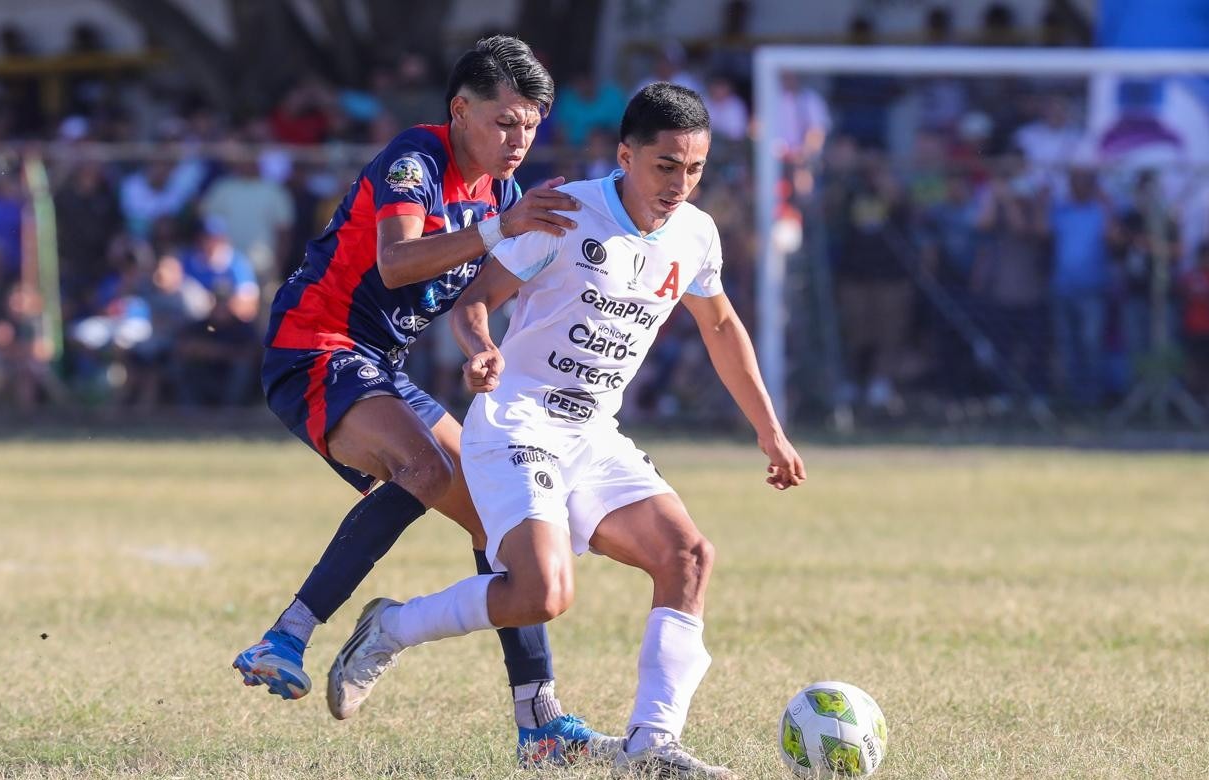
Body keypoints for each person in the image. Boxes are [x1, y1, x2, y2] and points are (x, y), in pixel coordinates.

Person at [329, 83, 806, 778]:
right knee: (542, 595)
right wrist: (481, 348)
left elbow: (722, 324)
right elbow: (475, 303)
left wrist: (771, 431)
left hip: (594, 434)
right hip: (518, 418)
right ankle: (390, 627)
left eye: (694, 169)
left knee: (689, 558)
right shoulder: (566, 212)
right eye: (665, 165)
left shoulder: (696, 235)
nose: (679, 183)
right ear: (626, 155)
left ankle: (650, 746)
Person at [230, 36, 620, 765]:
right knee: (426, 469)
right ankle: (286, 634)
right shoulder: (417, 158)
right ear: (460, 110)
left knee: (490, 513)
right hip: (315, 343)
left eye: (532, 124)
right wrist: (505, 227)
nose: (519, 139)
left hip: (378, 363)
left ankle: (538, 722)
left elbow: (478, 300)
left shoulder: (503, 196)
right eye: (505, 121)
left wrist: (484, 351)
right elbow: (397, 260)